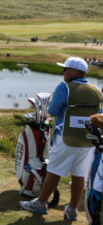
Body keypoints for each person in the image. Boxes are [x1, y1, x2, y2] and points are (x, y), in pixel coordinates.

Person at [20, 57, 103, 221]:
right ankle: (72, 210)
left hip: (66, 138)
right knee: (80, 175)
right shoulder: (96, 90)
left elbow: (53, 110)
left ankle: (41, 203)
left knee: (54, 171)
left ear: (74, 72)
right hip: (88, 141)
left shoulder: (65, 87)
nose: (62, 72)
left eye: (65, 69)